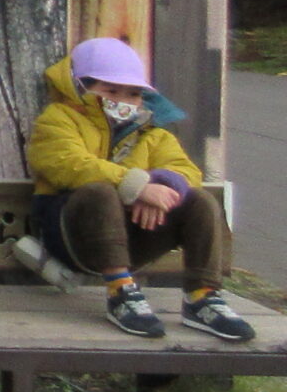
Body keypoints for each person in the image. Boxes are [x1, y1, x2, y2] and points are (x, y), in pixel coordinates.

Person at [24, 37, 256, 342]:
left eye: (133, 93)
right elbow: (66, 163)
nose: (124, 100)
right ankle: (121, 292)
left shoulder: (152, 132)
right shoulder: (58, 119)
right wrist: (136, 187)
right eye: (110, 90)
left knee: (199, 200)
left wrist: (160, 186)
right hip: (72, 237)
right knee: (99, 192)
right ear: (79, 87)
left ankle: (202, 296)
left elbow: (187, 171)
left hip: (134, 238)